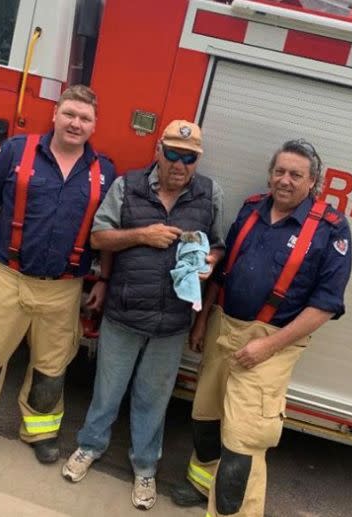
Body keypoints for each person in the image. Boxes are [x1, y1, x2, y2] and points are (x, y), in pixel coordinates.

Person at [0, 84, 116, 464]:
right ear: (55, 113)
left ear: (95, 125)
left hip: (65, 288)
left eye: (84, 118)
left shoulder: (104, 171)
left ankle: (40, 432)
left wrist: (102, 279)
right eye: (69, 114)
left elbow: (106, 232)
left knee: (52, 367)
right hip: (9, 279)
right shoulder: (17, 151)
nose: (75, 123)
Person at [170, 139, 352, 516]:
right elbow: (224, 269)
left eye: (295, 175)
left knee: (243, 442)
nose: (285, 180)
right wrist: (203, 321)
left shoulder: (332, 229)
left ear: (312, 181)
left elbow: (325, 305)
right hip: (224, 327)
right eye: (279, 171)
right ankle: (201, 482)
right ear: (270, 174)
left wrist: (266, 348)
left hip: (272, 343)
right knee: (205, 416)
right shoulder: (253, 208)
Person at [62, 120, 226, 510]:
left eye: (189, 158)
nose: (180, 164)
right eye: (172, 153)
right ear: (158, 150)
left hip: (171, 323)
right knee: (108, 391)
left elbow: (219, 246)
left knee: (153, 399)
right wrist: (142, 235)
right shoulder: (127, 186)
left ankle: (145, 469)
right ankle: (89, 446)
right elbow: (98, 237)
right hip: (123, 312)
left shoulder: (210, 193)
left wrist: (210, 262)